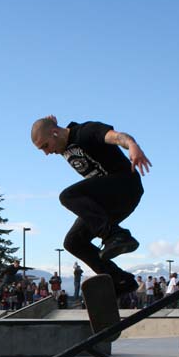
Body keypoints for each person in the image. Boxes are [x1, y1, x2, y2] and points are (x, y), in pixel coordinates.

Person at [32, 116, 150, 296]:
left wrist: (133, 145)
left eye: (45, 146)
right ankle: (120, 280)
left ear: (55, 133)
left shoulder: (86, 132)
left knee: (68, 196)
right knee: (73, 242)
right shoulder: (60, 141)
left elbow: (117, 137)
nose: (47, 153)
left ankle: (116, 235)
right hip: (107, 203)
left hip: (125, 186)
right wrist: (50, 123)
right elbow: (49, 127)